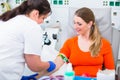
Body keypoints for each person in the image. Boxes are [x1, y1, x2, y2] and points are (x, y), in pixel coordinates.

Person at [36, 7, 115, 78]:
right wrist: (37, 77)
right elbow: (57, 63)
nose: (75, 27)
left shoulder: (104, 44)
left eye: (79, 24)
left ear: (90, 24)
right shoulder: (69, 43)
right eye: (74, 23)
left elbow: (110, 71)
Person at [0, 0, 56, 80]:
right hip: (4, 75)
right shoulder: (32, 26)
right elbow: (35, 66)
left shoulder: (7, 19)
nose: (42, 22)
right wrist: (49, 65)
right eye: (43, 18)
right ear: (36, 13)